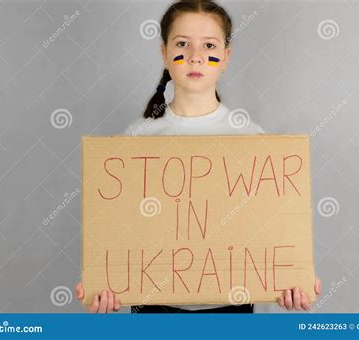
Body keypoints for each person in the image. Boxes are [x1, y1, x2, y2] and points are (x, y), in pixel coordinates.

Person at [75, 0, 322, 313]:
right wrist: (103, 284)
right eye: (182, 44)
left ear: (226, 57)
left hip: (232, 312)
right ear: (164, 53)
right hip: (154, 311)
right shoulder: (136, 141)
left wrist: (292, 279)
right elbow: (117, 231)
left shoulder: (252, 140)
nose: (195, 56)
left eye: (209, 45)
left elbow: (272, 231)